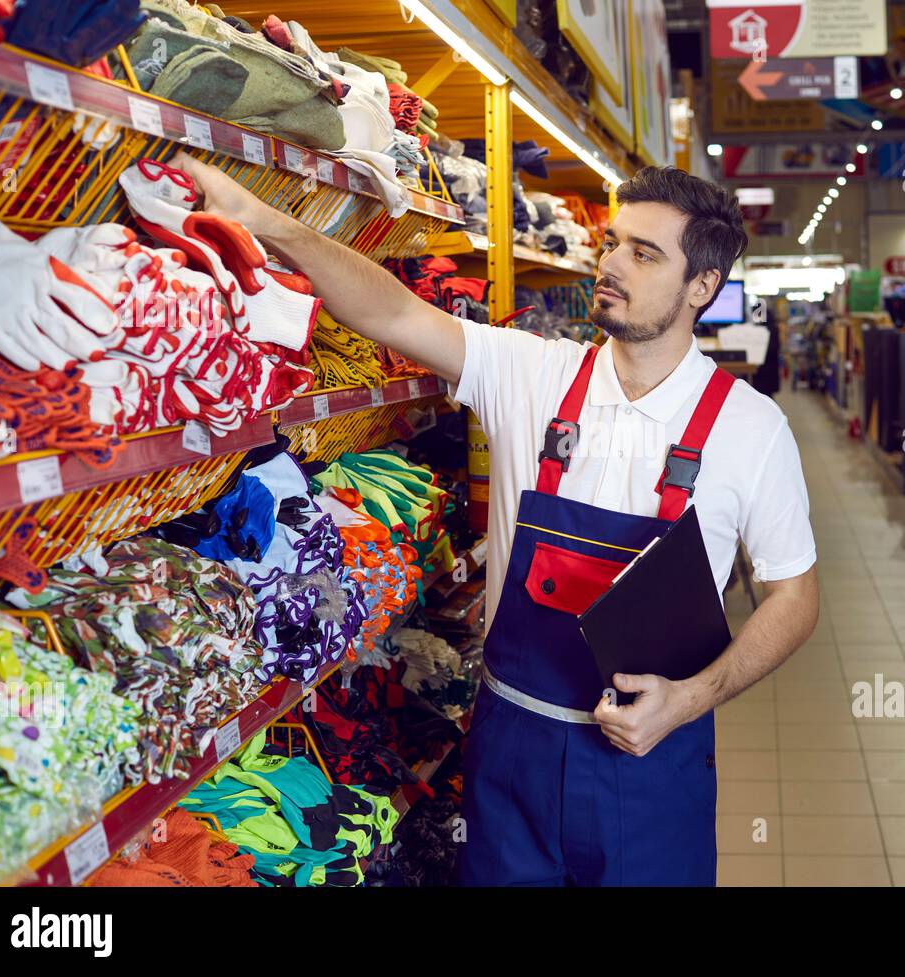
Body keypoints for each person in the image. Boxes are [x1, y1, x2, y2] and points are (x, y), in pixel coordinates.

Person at [172, 155, 820, 886]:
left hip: (653, 759)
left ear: (703, 285)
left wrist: (692, 698)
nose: (611, 264)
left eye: (644, 254)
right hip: (513, 755)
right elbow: (389, 311)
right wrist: (264, 221)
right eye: (613, 242)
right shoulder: (532, 372)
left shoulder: (750, 429)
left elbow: (794, 596)